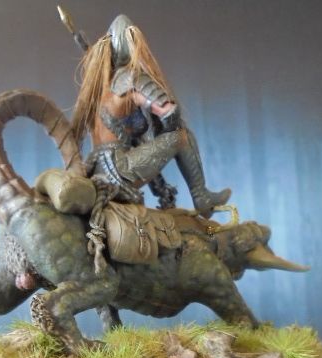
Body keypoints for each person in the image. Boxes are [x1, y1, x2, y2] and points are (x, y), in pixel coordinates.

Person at [72, 14, 231, 218]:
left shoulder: (98, 87)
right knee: (182, 137)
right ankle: (202, 197)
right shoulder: (132, 78)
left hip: (97, 170)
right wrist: (165, 127)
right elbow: (169, 112)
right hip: (119, 170)